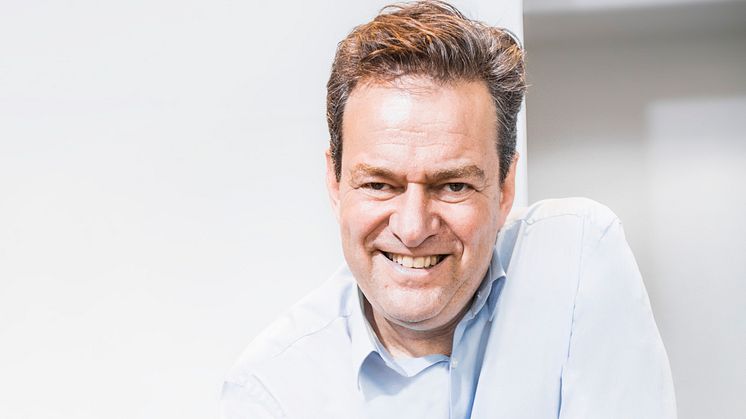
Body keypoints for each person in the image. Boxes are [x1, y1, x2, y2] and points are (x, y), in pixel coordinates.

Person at [221, 1, 676, 418]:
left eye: (452, 185)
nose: (413, 228)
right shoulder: (271, 394)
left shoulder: (576, 257)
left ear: (504, 187)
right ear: (335, 183)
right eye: (380, 184)